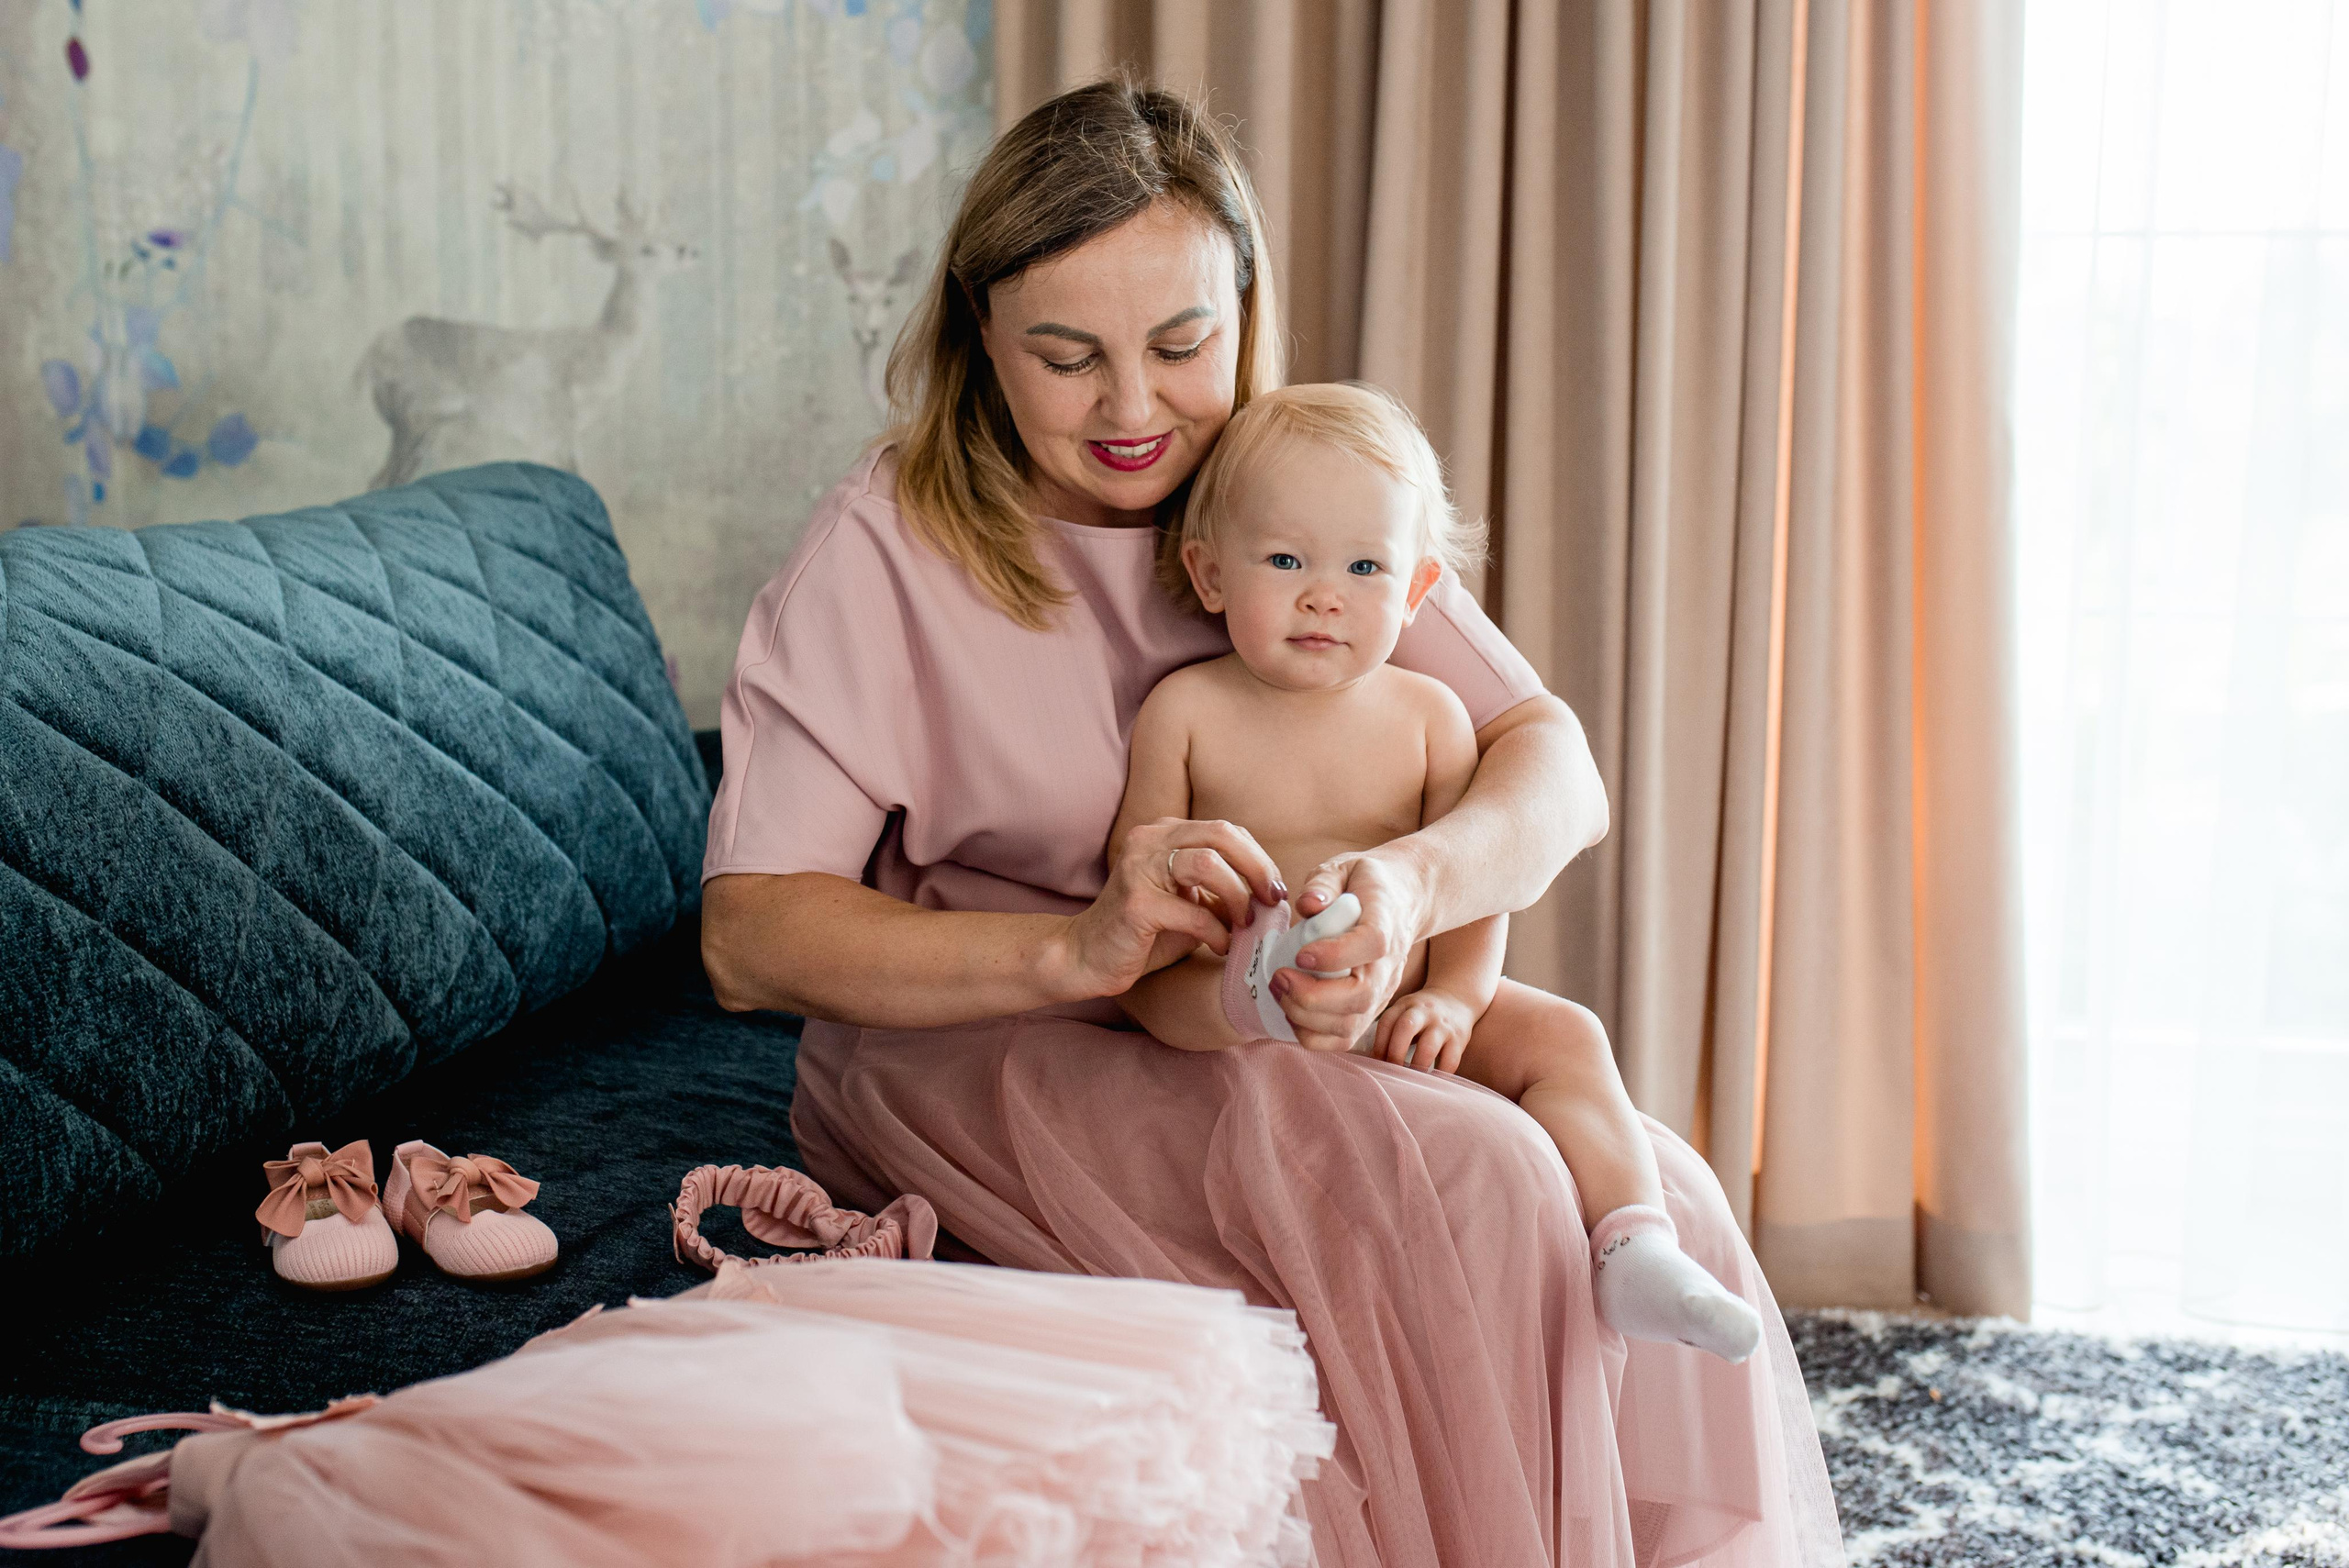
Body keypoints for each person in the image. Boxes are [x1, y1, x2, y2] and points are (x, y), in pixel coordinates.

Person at [701, 76, 1842, 1568]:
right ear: (980, 335)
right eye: (1066, 356)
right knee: (1484, 1182)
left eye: (1183, 346)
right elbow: (749, 935)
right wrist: (1077, 949)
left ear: (1245, 313)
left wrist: (1417, 882)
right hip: (997, 1044)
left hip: (1259, 1016)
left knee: (1649, 1190)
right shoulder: (885, 553)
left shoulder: (1280, 498)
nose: (1133, 410)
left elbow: (1554, 768)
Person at [1110, 382, 1765, 1365]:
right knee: (1155, 999)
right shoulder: (1186, 710)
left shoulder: (1431, 716)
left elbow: (1475, 882)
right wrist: (1215, 956)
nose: (1324, 594)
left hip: (1402, 998)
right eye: (1284, 560)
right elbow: (1141, 876)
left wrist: (1455, 997)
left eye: (1363, 566)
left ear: (1417, 592)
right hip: (1235, 999)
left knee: (1567, 1034)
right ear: (1208, 573)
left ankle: (1636, 1243)